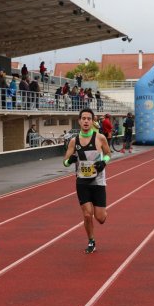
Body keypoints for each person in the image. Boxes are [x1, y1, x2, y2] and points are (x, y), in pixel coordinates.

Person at [63, 108, 112, 254]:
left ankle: (102, 212)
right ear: (79, 121)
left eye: (88, 119)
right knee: (86, 214)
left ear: (92, 121)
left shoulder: (100, 138)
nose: (85, 121)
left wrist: (104, 162)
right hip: (82, 182)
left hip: (98, 181)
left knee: (100, 218)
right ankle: (91, 241)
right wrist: (69, 161)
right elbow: (65, 161)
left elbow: (108, 154)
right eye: (83, 118)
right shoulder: (74, 141)